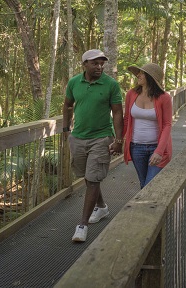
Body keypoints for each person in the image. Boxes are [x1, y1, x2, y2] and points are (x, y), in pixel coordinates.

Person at [62, 49, 124, 243]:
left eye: (101, 63)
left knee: (94, 178)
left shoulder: (111, 85)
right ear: (85, 64)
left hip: (101, 137)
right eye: (95, 63)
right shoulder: (74, 83)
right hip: (78, 137)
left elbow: (117, 113)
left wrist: (118, 140)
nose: (99, 67)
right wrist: (66, 129)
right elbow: (67, 105)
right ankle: (102, 207)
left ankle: (82, 225)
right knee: (88, 178)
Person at [122, 63, 173, 189]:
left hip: (157, 148)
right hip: (136, 147)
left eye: (142, 73)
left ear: (150, 78)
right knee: (143, 182)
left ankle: (148, 207)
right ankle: (151, 208)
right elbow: (127, 119)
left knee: (149, 185)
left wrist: (159, 151)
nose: (138, 75)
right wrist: (119, 140)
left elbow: (167, 125)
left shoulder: (164, 97)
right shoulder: (131, 94)